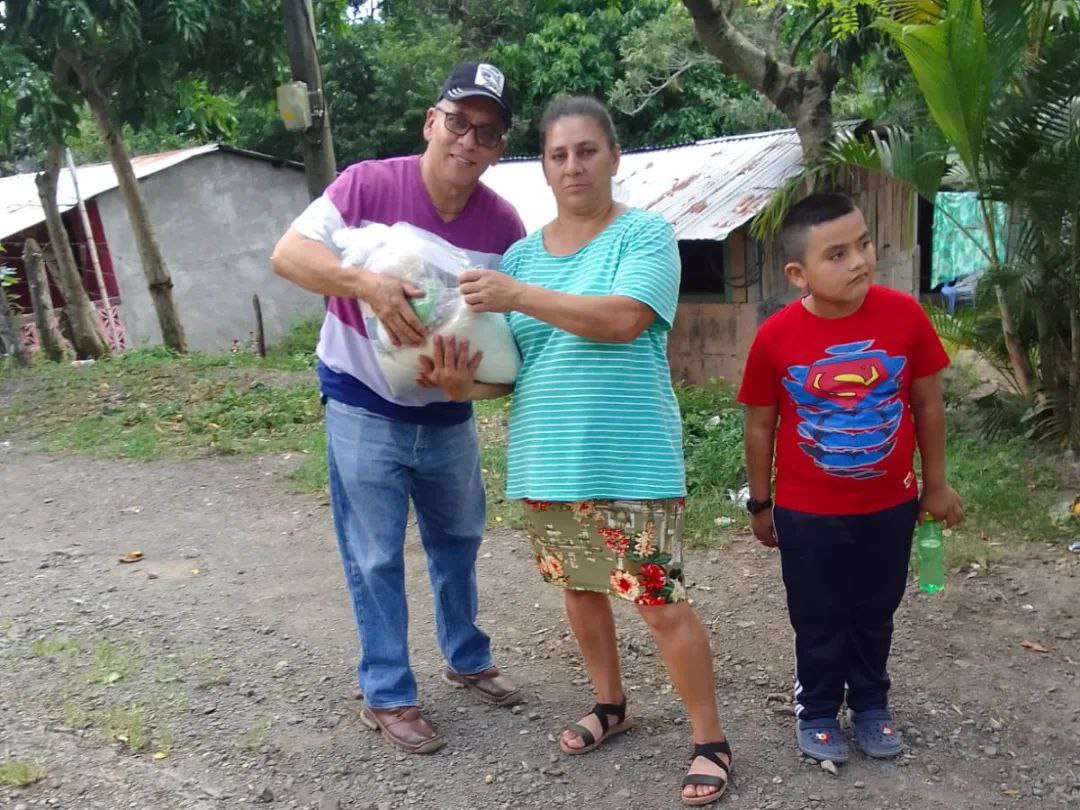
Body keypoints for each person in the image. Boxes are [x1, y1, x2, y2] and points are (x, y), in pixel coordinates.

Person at [419, 96, 732, 806]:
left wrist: (519, 295)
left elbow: (624, 320)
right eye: (558, 155)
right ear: (545, 169)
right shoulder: (522, 257)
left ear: (613, 157)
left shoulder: (644, 236)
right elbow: (510, 373)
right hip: (548, 460)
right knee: (581, 590)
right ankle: (610, 703)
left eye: (587, 150)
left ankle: (710, 738)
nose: (573, 166)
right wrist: (459, 386)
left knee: (659, 602)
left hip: (630, 459)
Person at [269, 61, 525, 755]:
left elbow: (512, 348)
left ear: (500, 147)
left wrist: (466, 389)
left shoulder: (504, 226)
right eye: (458, 122)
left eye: (488, 131)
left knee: (460, 542)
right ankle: (388, 693)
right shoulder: (366, 184)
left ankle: (468, 659)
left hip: (447, 412)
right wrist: (366, 286)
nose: (468, 140)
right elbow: (289, 255)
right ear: (430, 122)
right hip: (362, 401)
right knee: (375, 553)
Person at [737, 192, 965, 763]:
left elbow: (928, 404)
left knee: (876, 607)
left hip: (890, 505)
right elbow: (761, 424)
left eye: (863, 244)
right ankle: (815, 707)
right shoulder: (776, 337)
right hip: (807, 512)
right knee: (817, 614)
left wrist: (934, 485)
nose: (859, 261)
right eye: (835, 254)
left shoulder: (904, 315)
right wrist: (761, 504)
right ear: (798, 274)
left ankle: (870, 703)